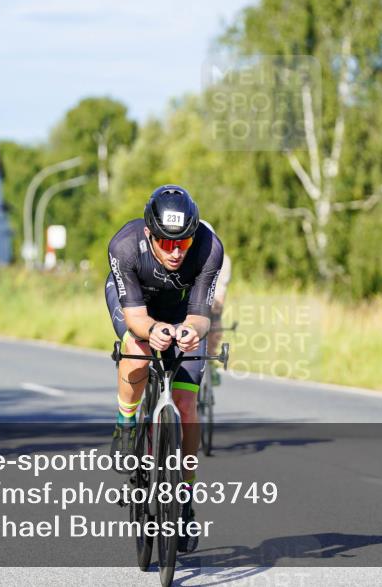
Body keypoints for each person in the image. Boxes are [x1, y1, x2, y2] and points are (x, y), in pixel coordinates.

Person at [105, 184, 223, 553]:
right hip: (137, 306)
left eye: (182, 243)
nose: (175, 252)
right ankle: (126, 423)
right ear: (149, 234)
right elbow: (137, 317)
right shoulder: (124, 246)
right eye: (166, 243)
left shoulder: (208, 247)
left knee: (186, 406)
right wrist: (154, 330)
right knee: (136, 347)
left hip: (182, 312)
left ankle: (184, 499)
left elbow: (202, 315)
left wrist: (190, 332)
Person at [202, 222, 232, 386]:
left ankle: (211, 362)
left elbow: (220, 291)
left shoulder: (223, 260)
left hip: (212, 298)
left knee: (215, 327)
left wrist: (214, 306)